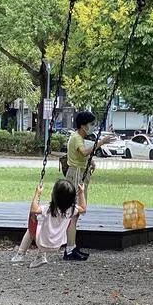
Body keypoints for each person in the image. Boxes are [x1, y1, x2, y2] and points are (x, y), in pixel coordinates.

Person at [63, 110, 117, 261]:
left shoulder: (78, 137)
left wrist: (90, 162)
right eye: (90, 124)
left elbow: (81, 155)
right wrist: (101, 142)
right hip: (76, 175)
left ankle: (72, 246)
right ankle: (69, 249)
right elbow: (84, 151)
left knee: (76, 212)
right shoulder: (76, 138)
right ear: (83, 125)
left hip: (80, 173)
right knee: (74, 212)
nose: (92, 127)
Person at [11, 179, 86, 268]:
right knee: (44, 230)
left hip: (42, 243)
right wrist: (81, 192)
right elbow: (83, 208)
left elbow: (33, 210)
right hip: (57, 245)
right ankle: (40, 256)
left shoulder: (49, 209)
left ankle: (21, 254)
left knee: (32, 226)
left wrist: (37, 193)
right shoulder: (72, 210)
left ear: (53, 195)